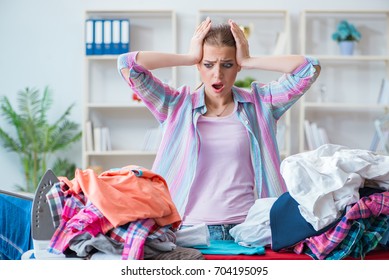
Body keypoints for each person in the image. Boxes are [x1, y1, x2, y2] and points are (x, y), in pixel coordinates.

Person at [117, 17, 321, 241]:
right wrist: (189, 57)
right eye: (208, 64)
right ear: (198, 65)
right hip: (189, 231)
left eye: (227, 64)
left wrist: (249, 59)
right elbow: (127, 64)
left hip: (249, 230)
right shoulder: (175, 105)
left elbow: (309, 68)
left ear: (238, 66)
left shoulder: (261, 104)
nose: (217, 74)